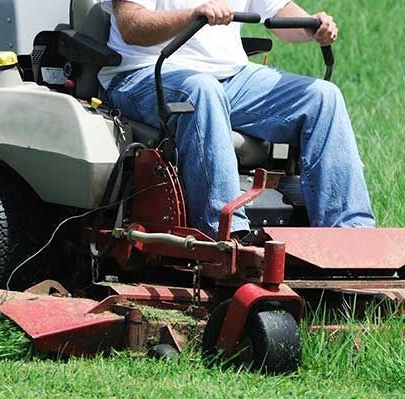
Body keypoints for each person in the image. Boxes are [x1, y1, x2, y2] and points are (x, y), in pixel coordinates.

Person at [100, 0, 376, 237]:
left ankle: (351, 234)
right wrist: (193, 14)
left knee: (323, 96)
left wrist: (312, 26)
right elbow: (131, 26)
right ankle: (226, 232)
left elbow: (278, 11)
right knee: (203, 90)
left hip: (231, 77)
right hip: (142, 74)